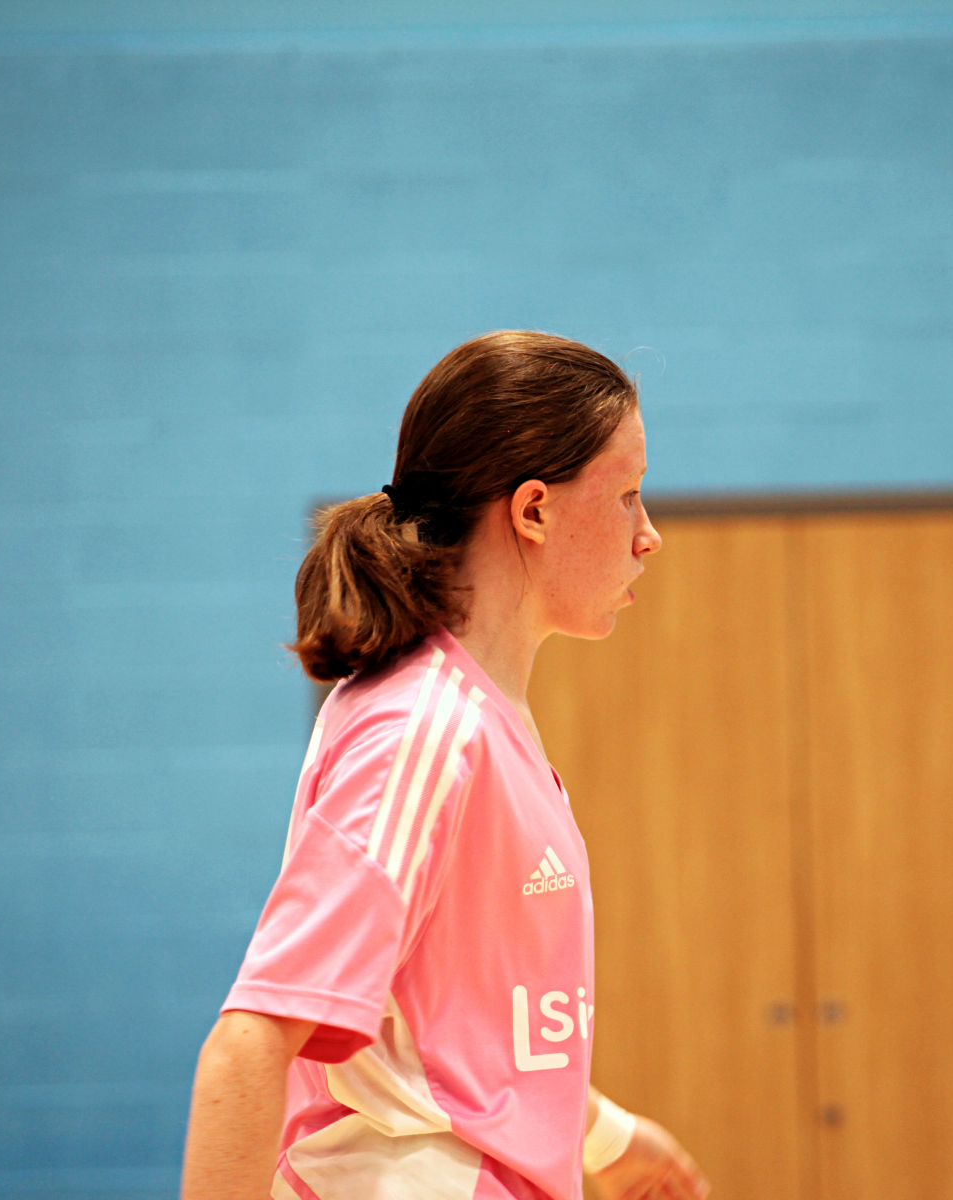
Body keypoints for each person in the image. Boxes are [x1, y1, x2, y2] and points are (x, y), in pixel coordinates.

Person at [181, 331, 710, 1200]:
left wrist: (605, 1135)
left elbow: (457, 1034)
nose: (647, 535)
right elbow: (250, 1040)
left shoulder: (476, 719)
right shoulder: (425, 731)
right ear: (533, 510)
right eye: (627, 495)